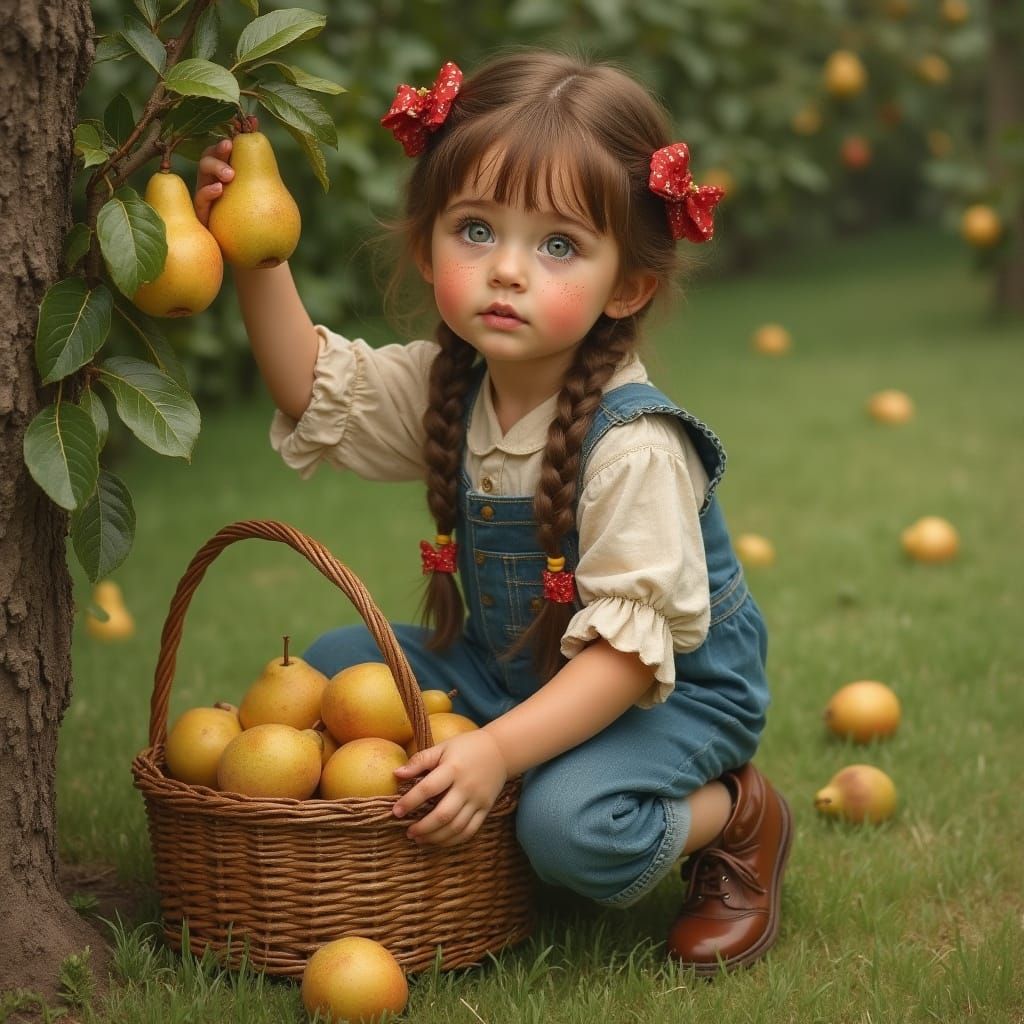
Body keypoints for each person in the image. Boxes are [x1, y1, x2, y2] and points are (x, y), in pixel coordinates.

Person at [195, 49, 791, 974]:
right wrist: (253, 249)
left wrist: (497, 755)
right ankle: (470, 820)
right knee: (337, 672)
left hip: (662, 696)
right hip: (508, 666)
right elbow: (307, 382)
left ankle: (739, 815)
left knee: (568, 827)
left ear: (626, 286)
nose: (506, 270)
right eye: (476, 229)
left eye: (558, 245)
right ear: (431, 240)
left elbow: (626, 664)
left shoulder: (635, 445)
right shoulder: (450, 385)